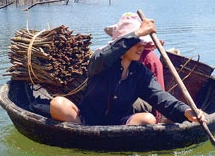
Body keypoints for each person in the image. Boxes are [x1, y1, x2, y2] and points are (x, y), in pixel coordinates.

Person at [50, 15, 206, 126]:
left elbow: (161, 97)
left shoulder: (140, 72)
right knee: (58, 104)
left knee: (148, 119)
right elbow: (103, 58)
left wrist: (185, 110)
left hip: (119, 123)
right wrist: (137, 33)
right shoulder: (102, 61)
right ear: (121, 44)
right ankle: (83, 135)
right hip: (87, 120)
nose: (141, 46)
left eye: (143, 43)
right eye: (136, 42)